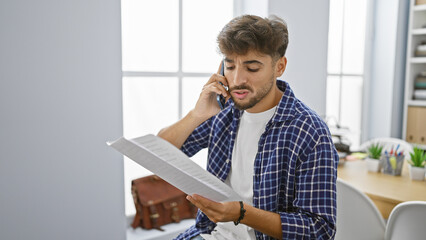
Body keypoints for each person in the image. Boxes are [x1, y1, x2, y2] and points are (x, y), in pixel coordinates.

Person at [158, 15, 338, 240]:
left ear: (279, 67)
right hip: (208, 234)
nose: (237, 79)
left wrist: (242, 214)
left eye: (252, 68)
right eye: (230, 66)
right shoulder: (224, 111)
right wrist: (196, 115)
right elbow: (159, 154)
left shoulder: (309, 131)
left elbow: (319, 230)